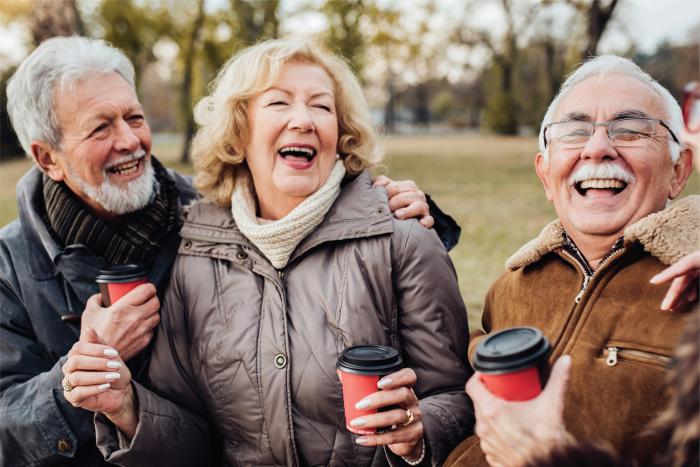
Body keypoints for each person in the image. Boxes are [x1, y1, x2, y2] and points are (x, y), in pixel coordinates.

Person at [0, 36, 456, 467]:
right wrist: (95, 387)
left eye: (135, 118)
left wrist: (410, 219)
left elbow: (455, 392)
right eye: (100, 127)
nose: (130, 141)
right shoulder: (196, 244)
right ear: (47, 158)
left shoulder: (192, 222)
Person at [445, 55, 698, 467]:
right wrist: (419, 430)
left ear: (678, 170)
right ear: (546, 174)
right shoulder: (511, 286)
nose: (597, 148)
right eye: (574, 131)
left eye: (631, 129)